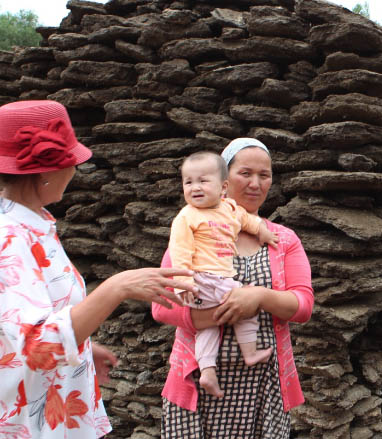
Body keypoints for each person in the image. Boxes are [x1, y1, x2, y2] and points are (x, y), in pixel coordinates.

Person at [0, 100, 196, 438]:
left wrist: (84, 347)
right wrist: (116, 288)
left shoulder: (34, 226)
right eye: (71, 161)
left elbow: (16, 330)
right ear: (46, 171)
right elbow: (36, 346)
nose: (75, 170)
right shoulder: (9, 238)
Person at [153, 138, 314, 438]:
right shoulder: (192, 227)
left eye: (264, 175)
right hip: (197, 383)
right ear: (224, 181)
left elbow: (303, 305)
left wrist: (258, 297)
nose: (255, 183)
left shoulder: (282, 239)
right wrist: (229, 311)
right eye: (245, 173)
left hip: (263, 387)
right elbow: (162, 305)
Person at [169, 151, 279, 398]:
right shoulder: (187, 216)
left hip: (213, 283)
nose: (195, 187)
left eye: (203, 181)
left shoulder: (229, 208)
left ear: (223, 187)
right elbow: (180, 251)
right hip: (204, 279)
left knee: (207, 329)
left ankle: (207, 371)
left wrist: (263, 232)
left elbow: (247, 221)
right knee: (246, 300)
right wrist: (184, 283)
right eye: (188, 182)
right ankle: (249, 351)